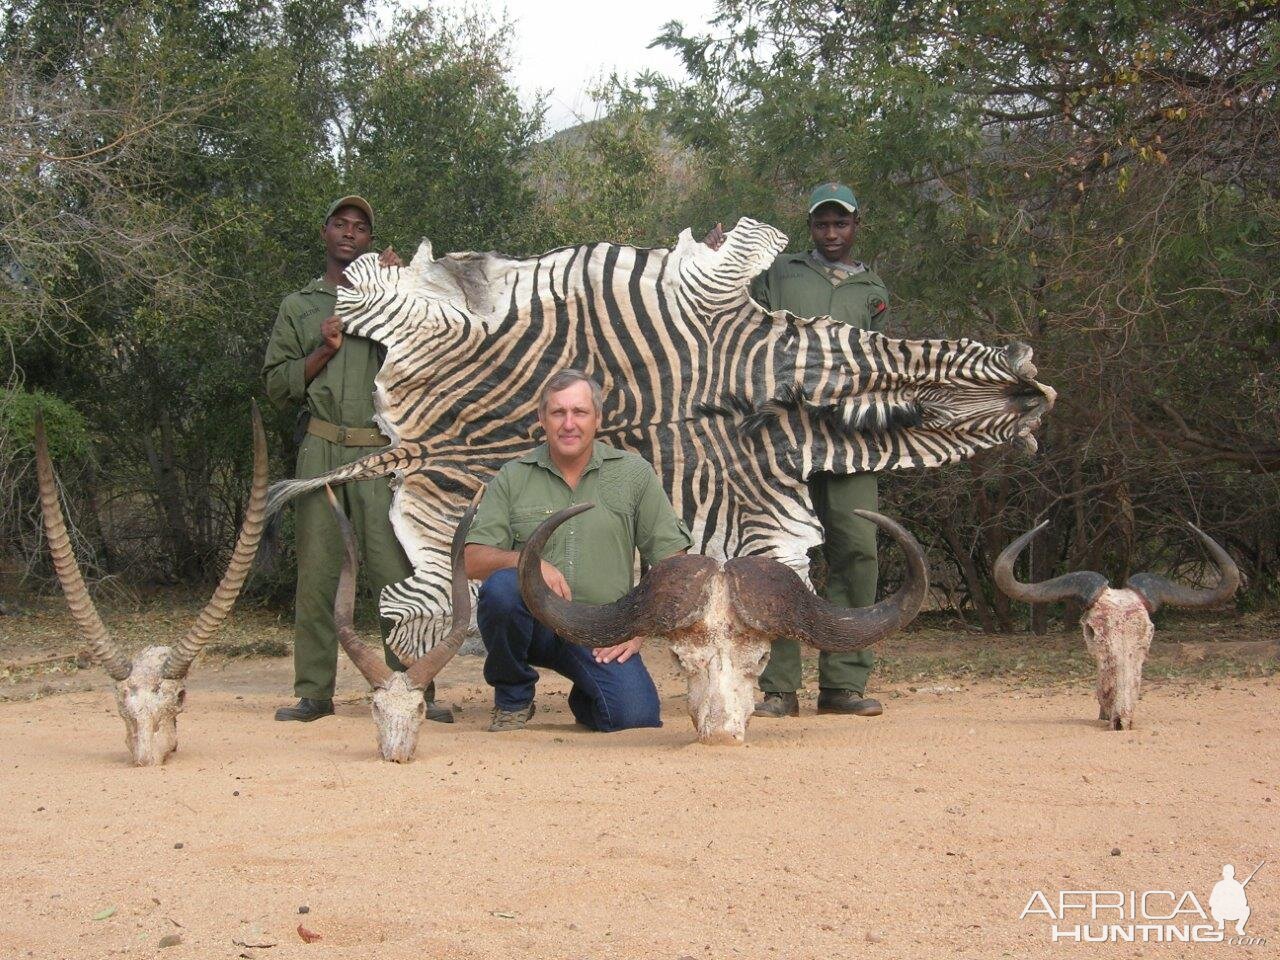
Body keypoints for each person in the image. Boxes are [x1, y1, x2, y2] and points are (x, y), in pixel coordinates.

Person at [263, 195, 452, 723]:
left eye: (360, 228)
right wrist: (322, 349)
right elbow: (278, 387)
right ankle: (314, 694)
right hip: (321, 451)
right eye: (341, 225)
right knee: (319, 572)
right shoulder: (298, 305)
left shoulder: (393, 296)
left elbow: (429, 362)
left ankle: (416, 687)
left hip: (383, 452)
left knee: (398, 572)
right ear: (325, 233)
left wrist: (401, 291)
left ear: (370, 241)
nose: (349, 233)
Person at [704, 182, 888, 719]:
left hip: (851, 440)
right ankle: (779, 686)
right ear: (811, 227)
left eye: (841, 223)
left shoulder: (874, 288)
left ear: (856, 226)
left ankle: (844, 684)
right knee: (780, 551)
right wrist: (718, 254)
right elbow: (727, 290)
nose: (831, 233)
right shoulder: (781, 272)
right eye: (822, 224)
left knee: (857, 550)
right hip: (782, 437)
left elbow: (880, 361)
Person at [463, 369, 692, 732]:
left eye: (579, 412)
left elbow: (674, 566)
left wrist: (639, 627)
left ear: (598, 419)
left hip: (602, 629)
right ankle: (513, 697)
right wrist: (528, 561)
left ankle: (589, 692)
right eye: (558, 413)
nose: (568, 424)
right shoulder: (513, 476)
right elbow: (472, 559)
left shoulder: (634, 474)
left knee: (635, 718)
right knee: (502, 589)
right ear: (542, 418)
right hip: (532, 622)